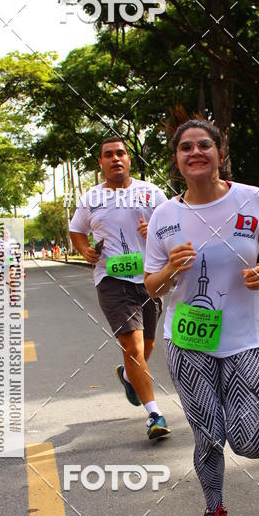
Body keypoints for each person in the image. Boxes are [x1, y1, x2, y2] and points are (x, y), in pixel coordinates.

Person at [144, 119, 259, 516]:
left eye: (205, 144)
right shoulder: (165, 215)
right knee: (208, 436)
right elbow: (151, 285)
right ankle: (214, 510)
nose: (196, 151)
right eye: (186, 147)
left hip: (243, 340)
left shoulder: (252, 199)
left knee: (252, 442)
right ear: (177, 161)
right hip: (189, 341)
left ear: (220, 153)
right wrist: (170, 269)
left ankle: (236, 418)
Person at [69, 135, 171, 441]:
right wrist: (85, 251)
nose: (115, 158)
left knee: (148, 346)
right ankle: (154, 414)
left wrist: (154, 231)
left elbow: (175, 228)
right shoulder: (91, 199)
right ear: (100, 162)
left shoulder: (151, 193)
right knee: (134, 346)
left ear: (129, 160)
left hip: (150, 280)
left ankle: (128, 376)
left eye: (121, 153)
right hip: (112, 280)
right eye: (108, 154)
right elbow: (77, 231)